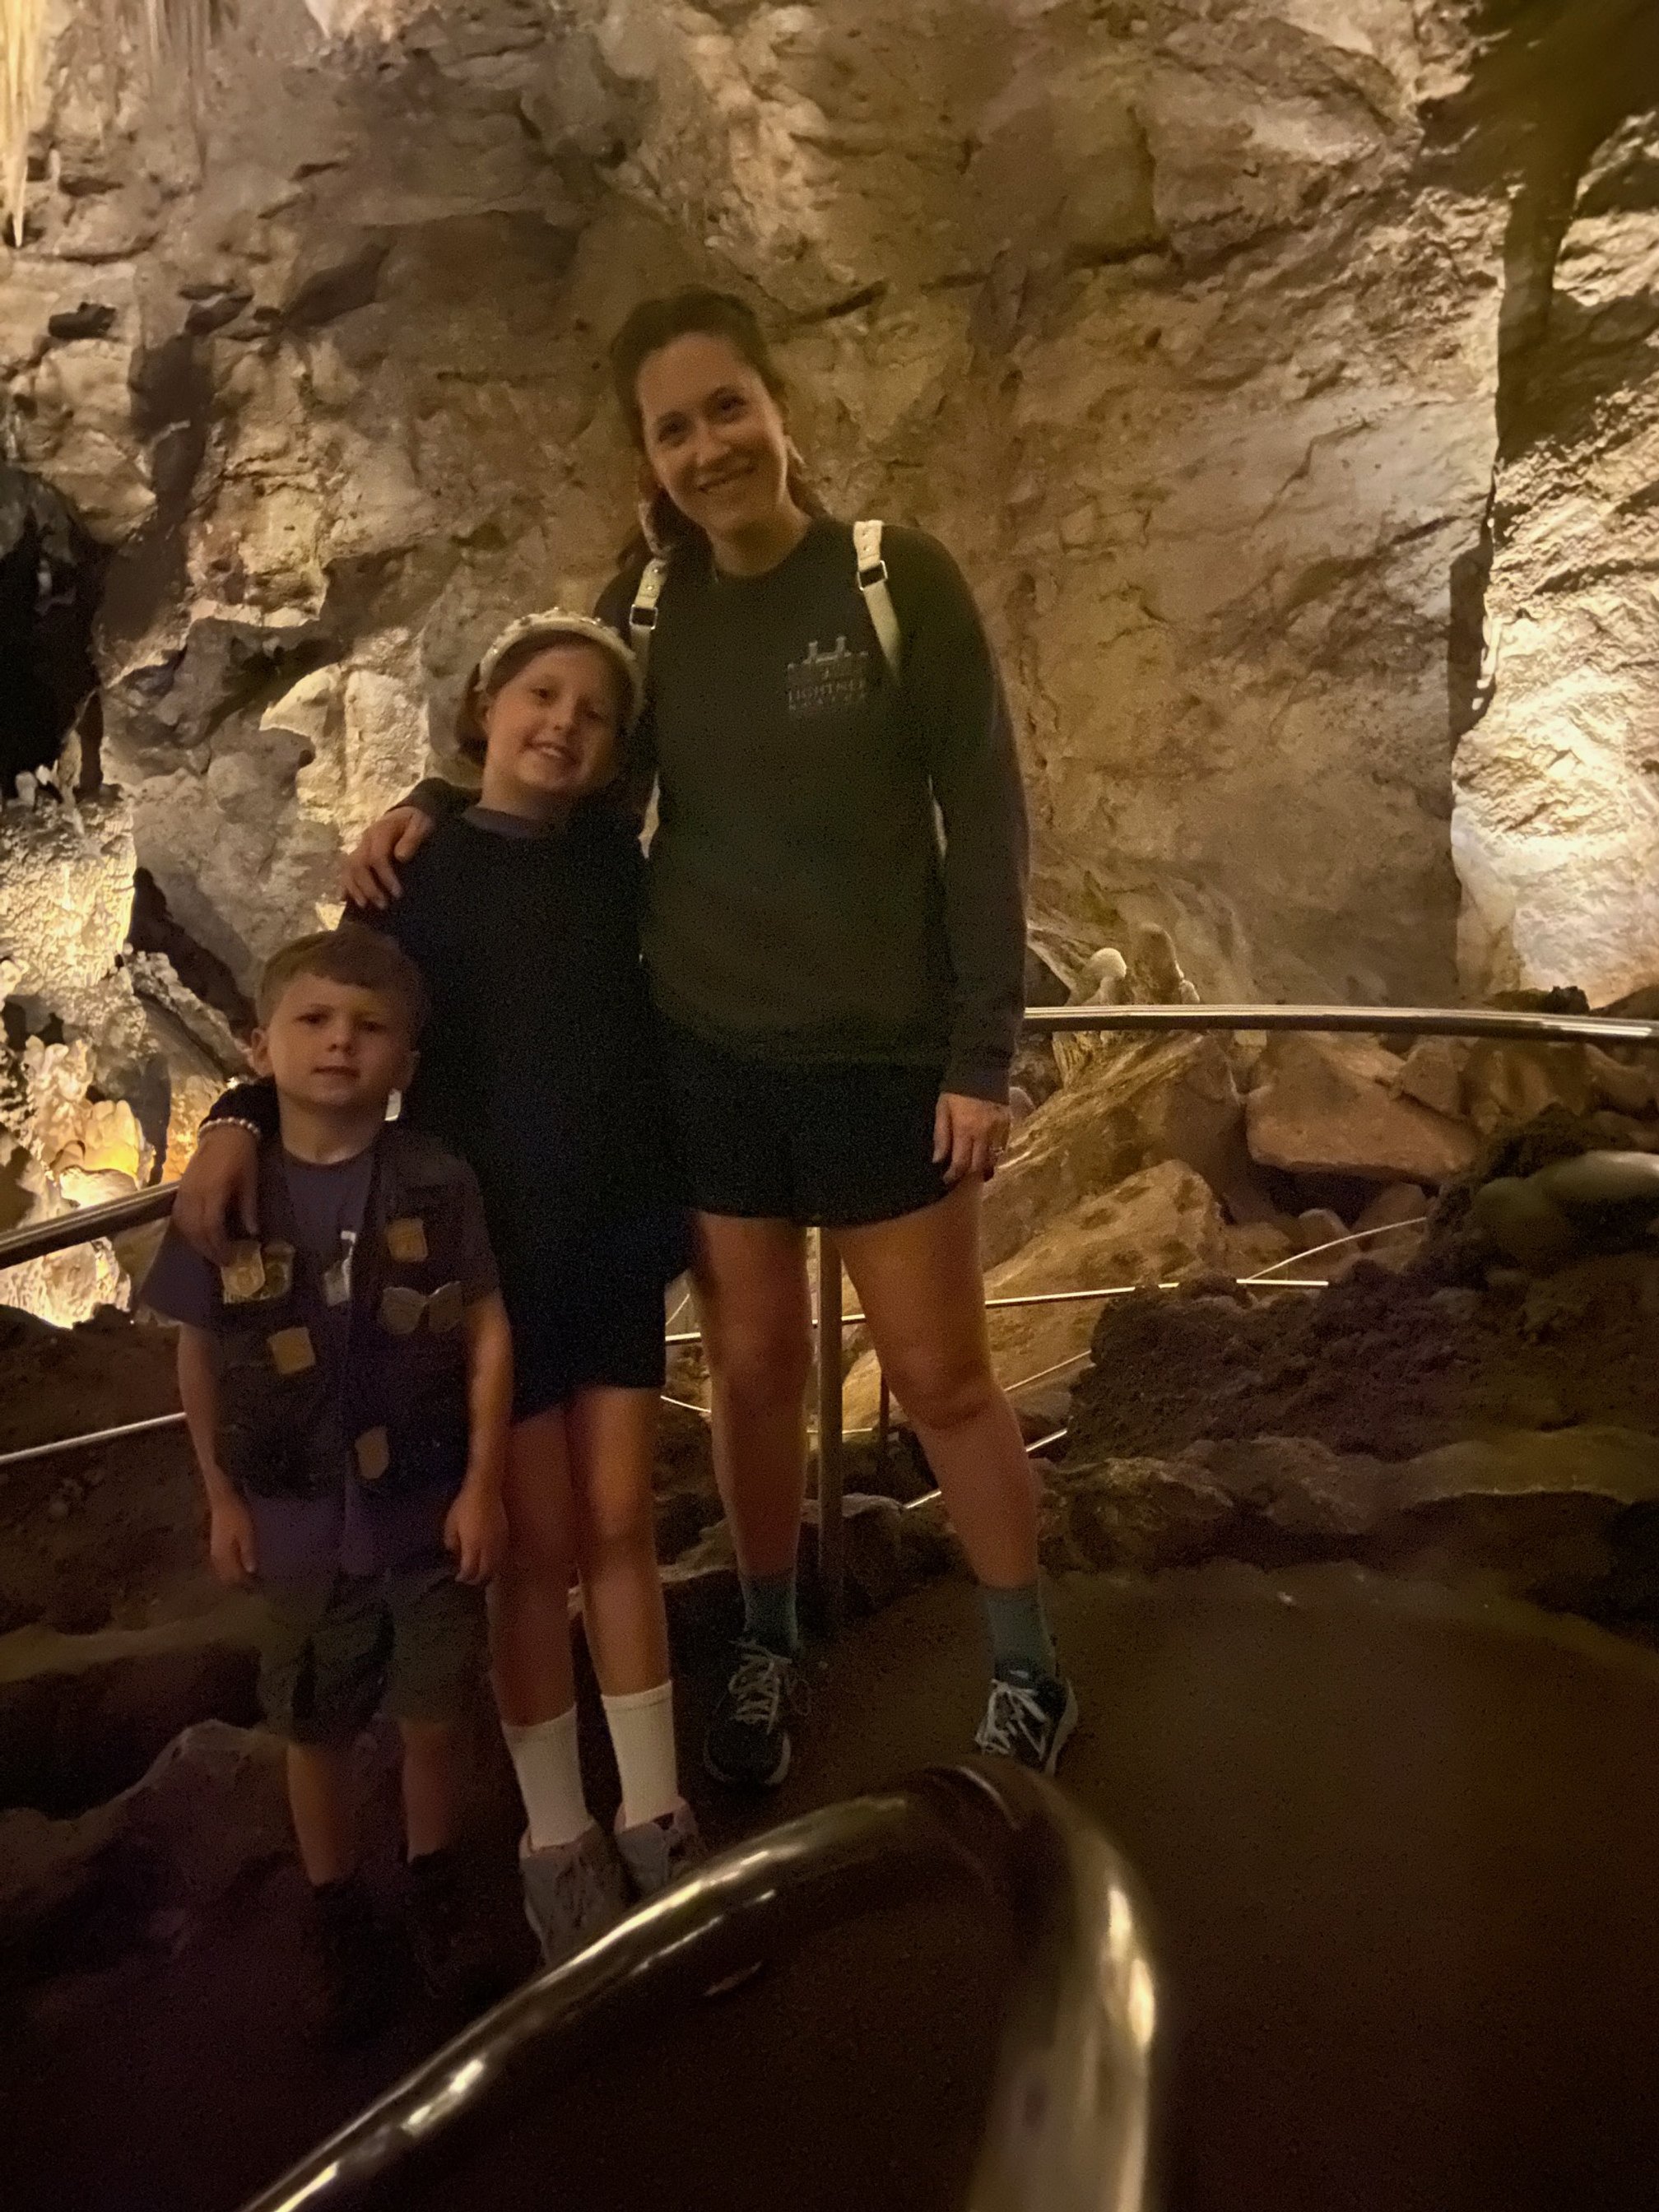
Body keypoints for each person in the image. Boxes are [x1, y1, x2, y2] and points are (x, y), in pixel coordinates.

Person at [188, 285, 1077, 1788]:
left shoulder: (887, 580)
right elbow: (551, 740)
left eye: (729, 407)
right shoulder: (657, 613)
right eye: (675, 429)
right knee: (750, 1372)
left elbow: (981, 814)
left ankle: (1027, 1665)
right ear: (650, 462)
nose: (710, 445)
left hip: (880, 1058)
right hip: (714, 1058)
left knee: (942, 1379)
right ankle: (772, 1639)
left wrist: (979, 1051)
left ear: (777, 408)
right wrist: (430, 803)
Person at [172, 614, 704, 1969]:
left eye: (593, 710)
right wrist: (238, 1111)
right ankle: (553, 1838)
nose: (564, 723)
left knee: (620, 1523)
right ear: (483, 707)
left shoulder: (613, 862)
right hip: (492, 1261)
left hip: (612, 1238)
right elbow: (337, 1018)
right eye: (541, 694)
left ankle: (658, 1814)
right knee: (533, 1554)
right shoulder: (416, 877)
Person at [143, 926, 512, 2042]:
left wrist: (486, 1482)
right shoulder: (227, 1201)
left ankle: (434, 1875)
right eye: (313, 1022)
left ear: (406, 1060)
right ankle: (336, 1903)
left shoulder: (439, 1183)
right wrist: (219, 1492)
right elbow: (198, 1350)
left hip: (426, 1492)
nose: (340, 1045)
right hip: (299, 1510)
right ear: (263, 1047)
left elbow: (487, 1325)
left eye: (369, 1029)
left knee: (435, 1710)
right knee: (315, 1721)